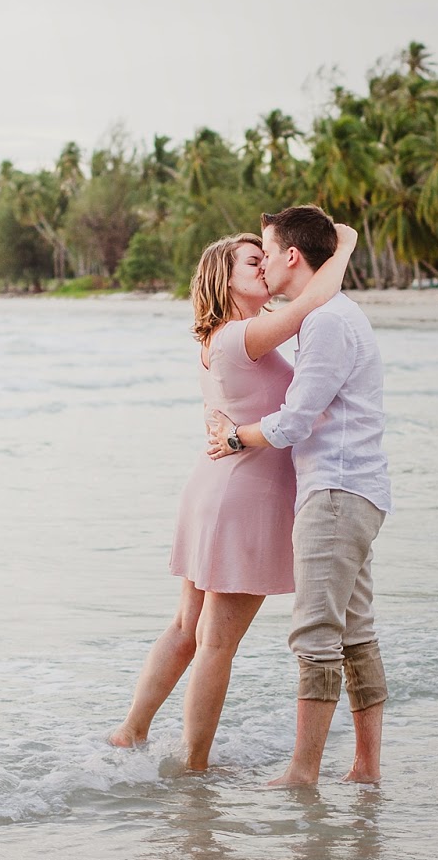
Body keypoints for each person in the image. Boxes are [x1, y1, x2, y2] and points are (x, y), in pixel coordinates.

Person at [109, 223, 357, 769]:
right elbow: (316, 298)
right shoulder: (238, 337)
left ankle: (131, 732)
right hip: (246, 491)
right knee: (216, 639)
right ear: (225, 280)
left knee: (187, 629)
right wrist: (345, 246)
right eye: (253, 262)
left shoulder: (221, 339)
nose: (264, 268)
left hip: (217, 485)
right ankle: (194, 764)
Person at [204, 204, 391, 786]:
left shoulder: (327, 321)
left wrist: (235, 437)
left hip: (335, 490)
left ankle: (303, 771)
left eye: (266, 250)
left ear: (291, 256)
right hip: (353, 486)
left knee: (315, 633)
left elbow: (294, 421)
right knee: (355, 630)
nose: (262, 263)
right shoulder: (332, 313)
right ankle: (363, 768)